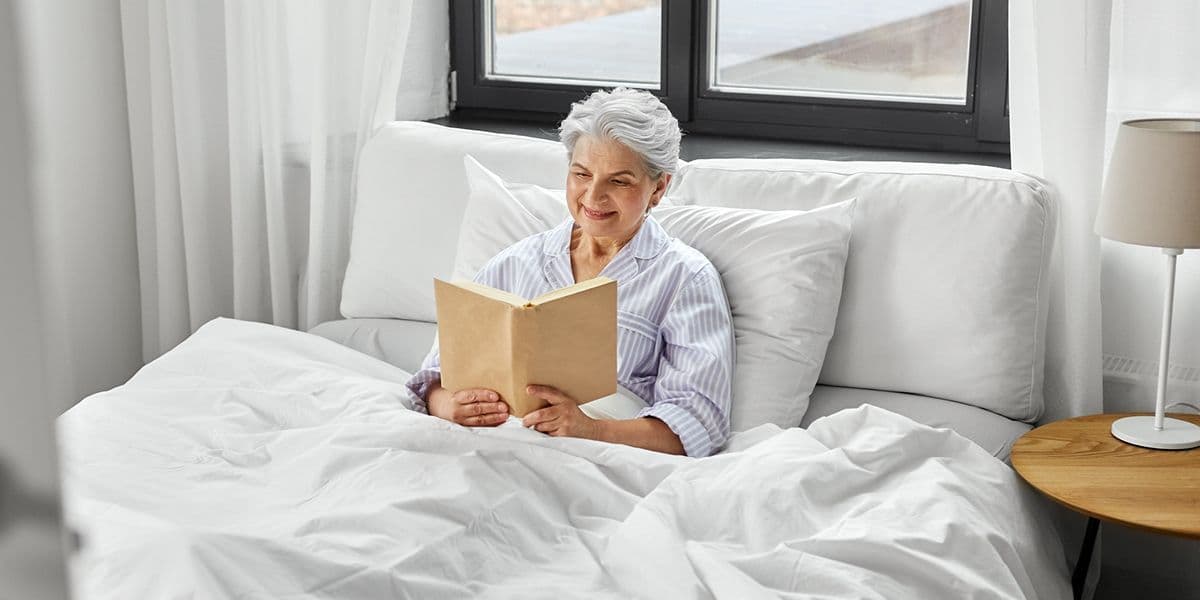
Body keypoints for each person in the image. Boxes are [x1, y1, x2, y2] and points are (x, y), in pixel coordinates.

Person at [405, 88, 733, 458]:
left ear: (658, 188)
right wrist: (448, 405)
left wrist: (589, 429)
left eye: (619, 181)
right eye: (581, 174)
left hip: (595, 459)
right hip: (489, 446)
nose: (593, 197)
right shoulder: (515, 262)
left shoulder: (685, 278)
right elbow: (434, 377)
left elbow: (698, 422)